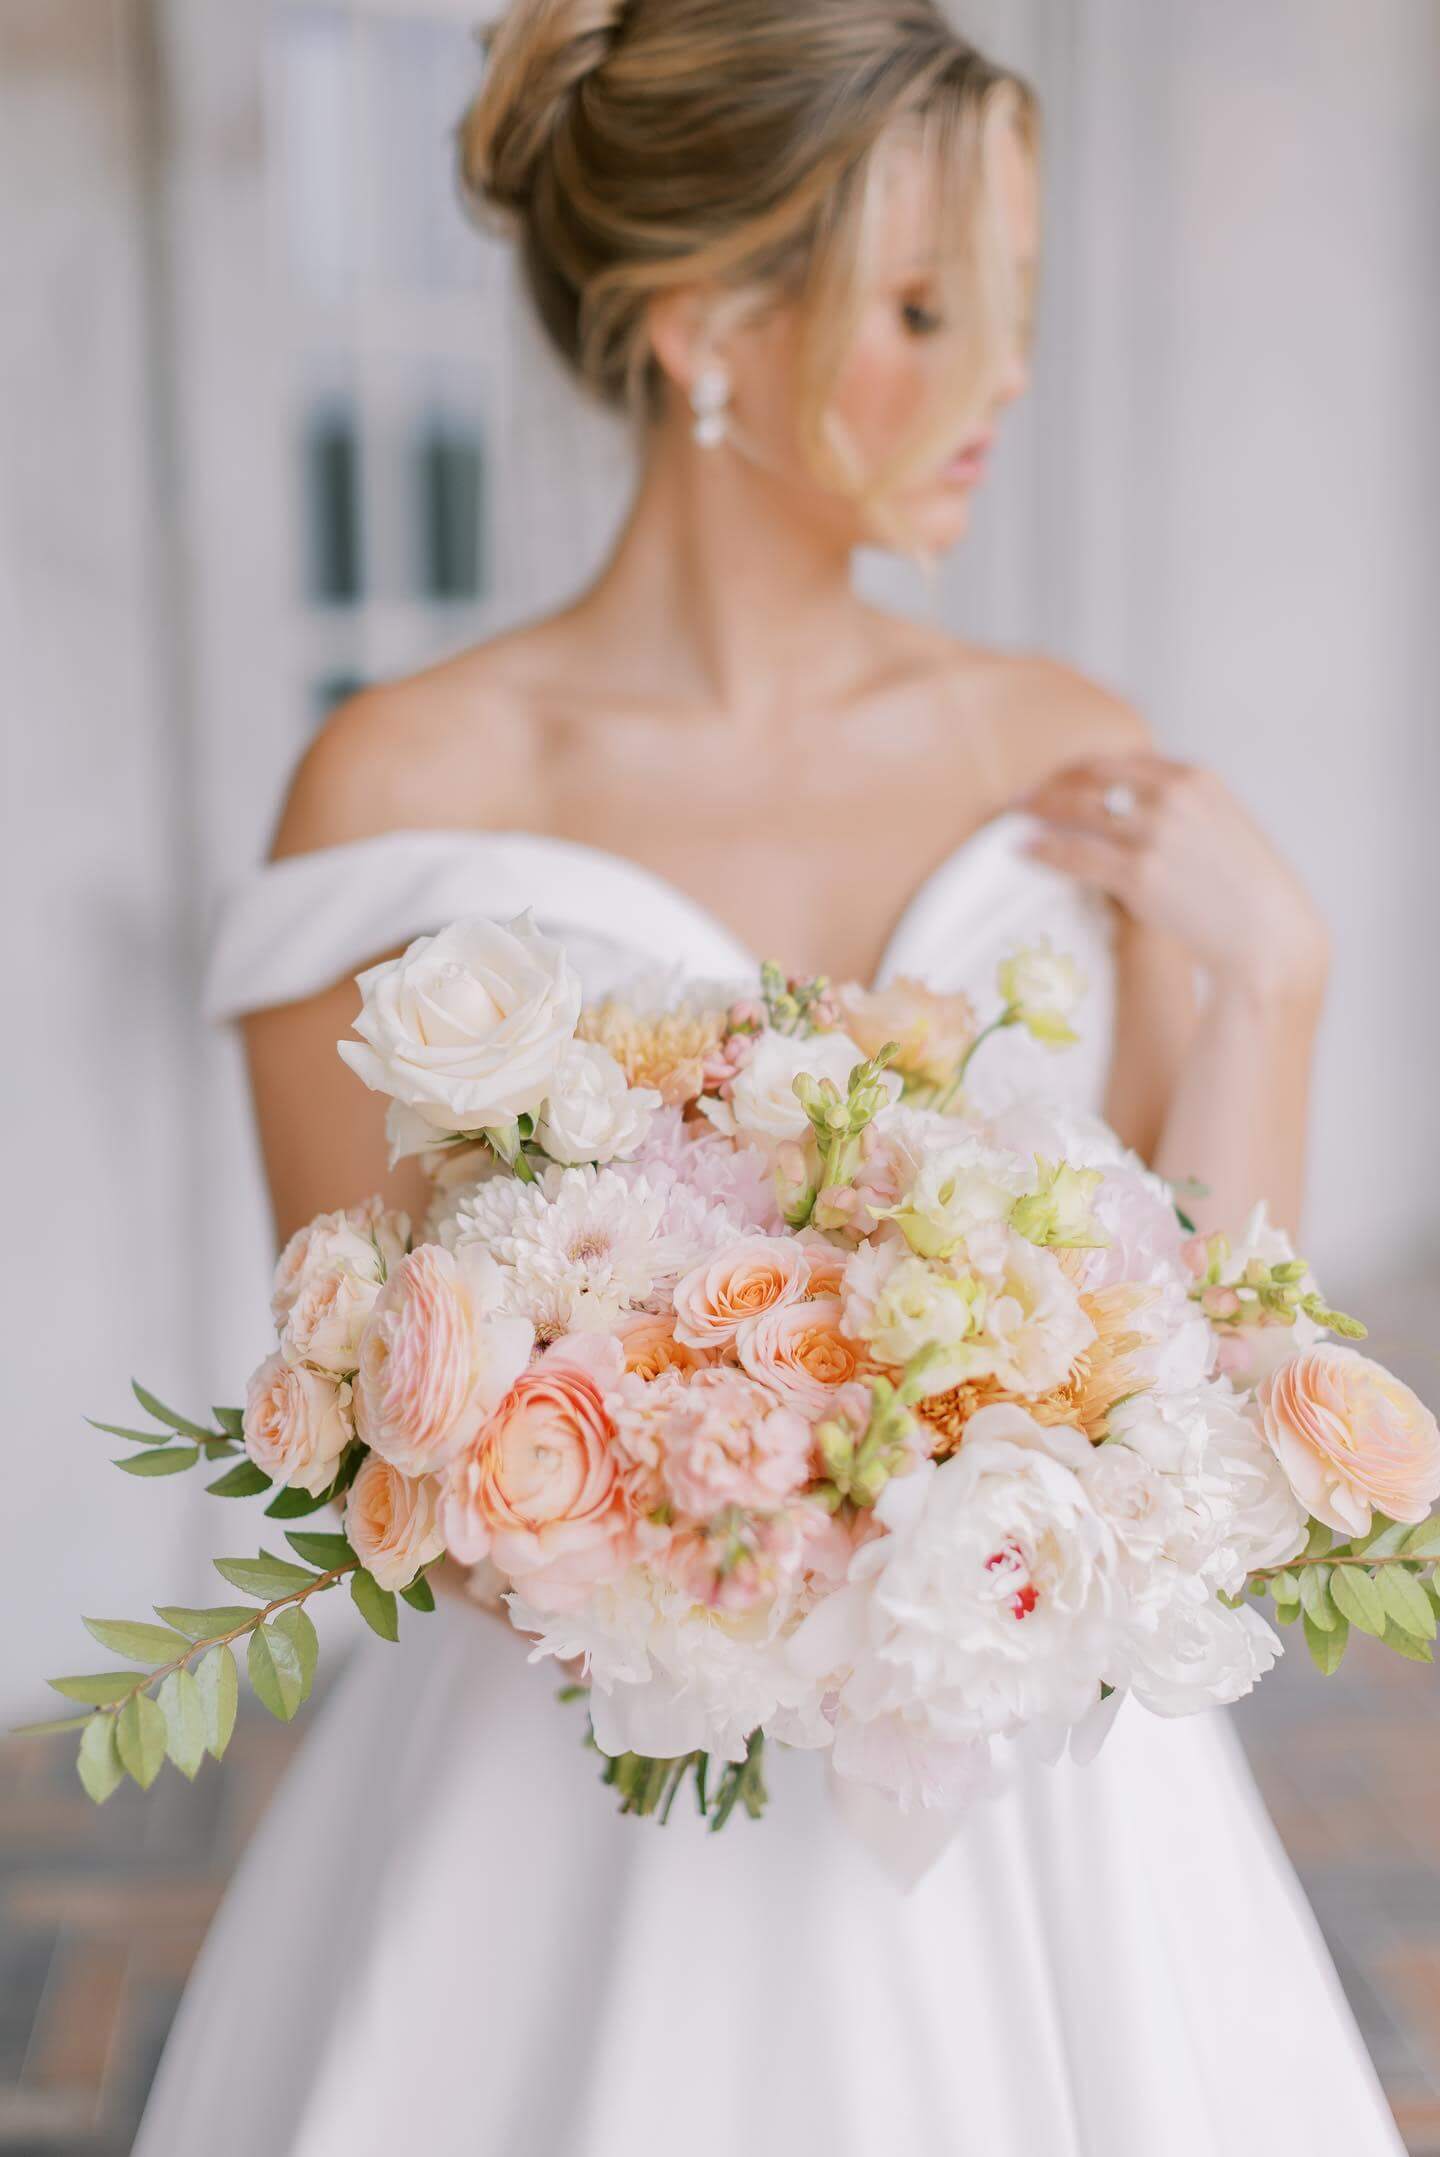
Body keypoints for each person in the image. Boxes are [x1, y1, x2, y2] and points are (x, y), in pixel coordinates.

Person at [136, 2, 1402, 2151]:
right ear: (705, 322)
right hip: (577, 1806)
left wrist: (1273, 979)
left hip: (1043, 1810)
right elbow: (391, 1437)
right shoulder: (396, 785)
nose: (1004, 374)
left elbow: (1205, 1346)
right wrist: (752, 1513)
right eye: (928, 309)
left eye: (1008, 304)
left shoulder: (1056, 743)